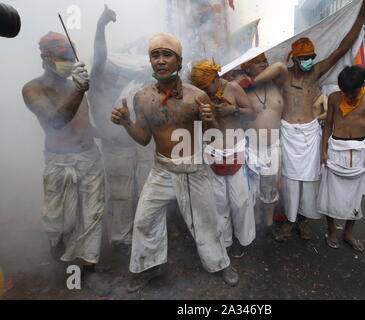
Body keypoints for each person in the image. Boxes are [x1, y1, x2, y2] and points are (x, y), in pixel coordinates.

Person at [238, 0, 365, 241]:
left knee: (310, 182)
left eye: (311, 56)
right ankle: (289, 222)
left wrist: (362, 17)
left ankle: (303, 221)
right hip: (289, 134)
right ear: (294, 58)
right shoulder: (283, 74)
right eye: (304, 57)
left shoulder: (317, 72)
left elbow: (343, 47)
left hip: (311, 133)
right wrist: (248, 79)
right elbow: (276, 66)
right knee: (290, 183)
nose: (309, 60)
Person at [111, 33, 238, 292]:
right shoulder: (142, 97)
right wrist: (126, 124)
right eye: (155, 55)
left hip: (192, 168)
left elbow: (217, 136)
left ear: (179, 61)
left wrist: (211, 118)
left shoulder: (198, 96)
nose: (160, 61)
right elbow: (144, 139)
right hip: (161, 169)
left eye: (166, 54)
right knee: (145, 219)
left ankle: (220, 264)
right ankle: (149, 266)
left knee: (205, 221)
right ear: (150, 61)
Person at [22, 32, 110, 295]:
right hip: (60, 164)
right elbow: (56, 121)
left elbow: (82, 125)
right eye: (64, 57)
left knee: (93, 216)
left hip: (89, 159)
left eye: (72, 55)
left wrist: (109, 133)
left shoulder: (75, 83)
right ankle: (60, 245)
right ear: (47, 57)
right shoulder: (33, 88)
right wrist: (79, 90)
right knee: (58, 222)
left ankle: (89, 268)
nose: (71, 61)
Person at [88, 5, 153, 257]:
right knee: (120, 195)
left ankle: (147, 232)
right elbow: (99, 57)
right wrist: (100, 26)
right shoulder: (95, 85)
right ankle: (120, 239)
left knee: (147, 190)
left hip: (140, 143)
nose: (112, 74)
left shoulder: (134, 85)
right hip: (116, 149)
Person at [189, 60, 257, 258]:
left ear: (216, 78)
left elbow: (253, 113)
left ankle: (243, 241)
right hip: (212, 153)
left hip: (236, 149)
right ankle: (224, 241)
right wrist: (204, 117)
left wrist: (233, 110)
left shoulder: (233, 89)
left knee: (241, 201)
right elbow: (196, 128)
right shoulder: (198, 97)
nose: (205, 92)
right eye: (200, 88)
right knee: (218, 202)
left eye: (207, 86)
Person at [318, 65, 365, 252]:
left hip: (359, 152)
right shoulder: (335, 98)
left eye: (352, 92)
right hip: (336, 150)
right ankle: (332, 232)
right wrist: (324, 150)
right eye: (345, 91)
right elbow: (327, 125)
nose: (349, 96)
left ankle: (348, 233)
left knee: (355, 195)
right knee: (331, 194)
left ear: (361, 85)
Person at [235, 53, 284, 238]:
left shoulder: (276, 83)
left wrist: (253, 81)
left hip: (273, 146)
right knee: (253, 190)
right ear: (247, 67)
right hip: (251, 147)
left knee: (270, 189)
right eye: (258, 62)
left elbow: (279, 66)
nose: (264, 64)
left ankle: (269, 225)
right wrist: (242, 79)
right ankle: (255, 223)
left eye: (264, 61)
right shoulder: (241, 89)